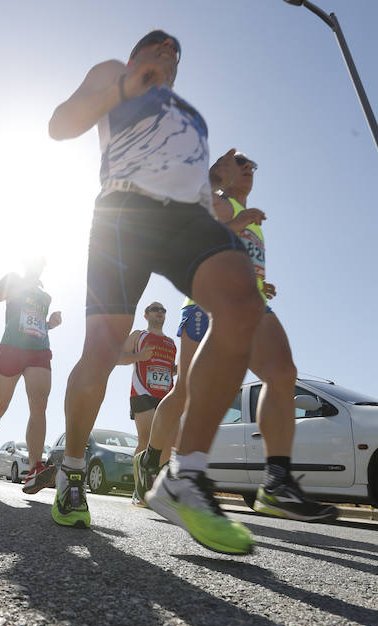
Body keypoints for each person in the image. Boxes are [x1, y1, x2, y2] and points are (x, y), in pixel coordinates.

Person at [48, 28, 265, 554]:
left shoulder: (187, 116)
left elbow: (196, 193)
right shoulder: (110, 74)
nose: (168, 52)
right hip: (122, 214)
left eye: (175, 51)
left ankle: (183, 478)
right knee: (102, 348)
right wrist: (122, 89)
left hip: (181, 223)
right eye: (157, 45)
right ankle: (72, 471)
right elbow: (60, 126)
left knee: (241, 309)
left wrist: (229, 227)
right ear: (135, 54)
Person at [132, 149, 338, 523]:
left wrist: (261, 282)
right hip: (206, 303)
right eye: (239, 162)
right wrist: (236, 222)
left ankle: (276, 482)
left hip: (251, 303)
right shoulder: (218, 202)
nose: (247, 169)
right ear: (225, 171)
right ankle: (153, 457)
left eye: (252, 165)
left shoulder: (254, 221)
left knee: (282, 375)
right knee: (188, 391)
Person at [0, 257, 62, 494]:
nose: (38, 266)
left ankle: (35, 469)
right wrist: (10, 287)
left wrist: (49, 324)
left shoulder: (45, 296)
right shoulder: (13, 279)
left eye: (42, 263)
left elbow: (35, 323)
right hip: (12, 347)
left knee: (39, 403)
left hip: (39, 349)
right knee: (1, 404)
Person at [117, 302, 176, 506]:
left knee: (168, 443)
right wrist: (139, 356)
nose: (160, 311)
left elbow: (169, 370)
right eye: (155, 309)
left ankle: (155, 489)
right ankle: (138, 490)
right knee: (146, 440)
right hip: (142, 392)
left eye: (163, 309)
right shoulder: (138, 335)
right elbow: (118, 357)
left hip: (167, 396)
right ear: (146, 315)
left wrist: (179, 369)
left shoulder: (170, 343)